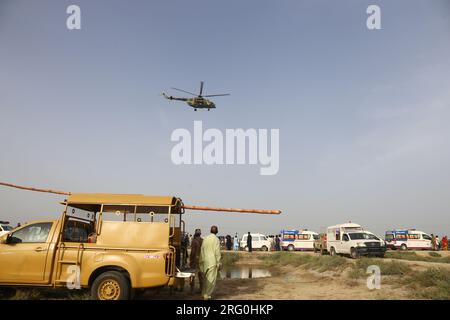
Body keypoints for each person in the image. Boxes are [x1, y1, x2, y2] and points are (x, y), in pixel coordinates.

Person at [200, 225, 221, 300]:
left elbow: (202, 250)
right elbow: (217, 252)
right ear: (217, 231)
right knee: (211, 280)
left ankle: (203, 293)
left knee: (206, 279)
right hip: (212, 262)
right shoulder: (216, 239)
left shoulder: (205, 238)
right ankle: (207, 295)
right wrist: (219, 263)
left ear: (210, 231)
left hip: (205, 261)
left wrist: (201, 261)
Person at [189, 229, 204, 293]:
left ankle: (192, 290)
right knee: (200, 275)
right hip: (201, 260)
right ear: (200, 234)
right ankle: (201, 289)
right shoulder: (203, 241)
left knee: (192, 275)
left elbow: (193, 252)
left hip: (195, 260)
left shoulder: (194, 241)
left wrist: (190, 260)